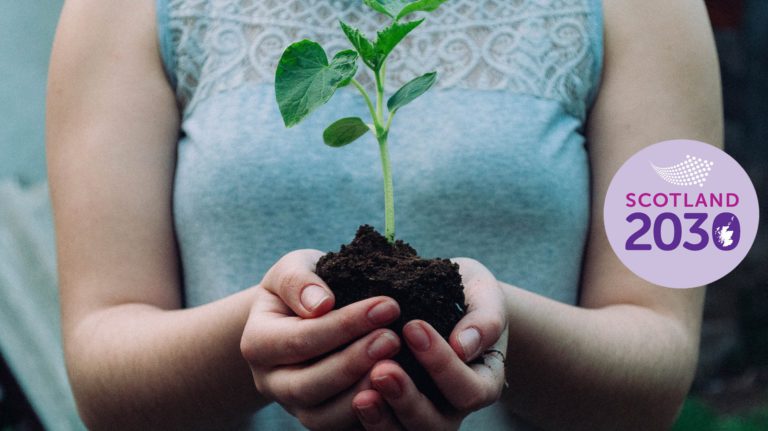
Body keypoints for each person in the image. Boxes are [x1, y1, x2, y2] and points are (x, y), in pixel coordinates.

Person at [46, 0, 722, 429]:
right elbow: (102, 370)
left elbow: (659, 355)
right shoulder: (119, 10)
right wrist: (262, 340)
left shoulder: (655, 11)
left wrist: (499, 326)